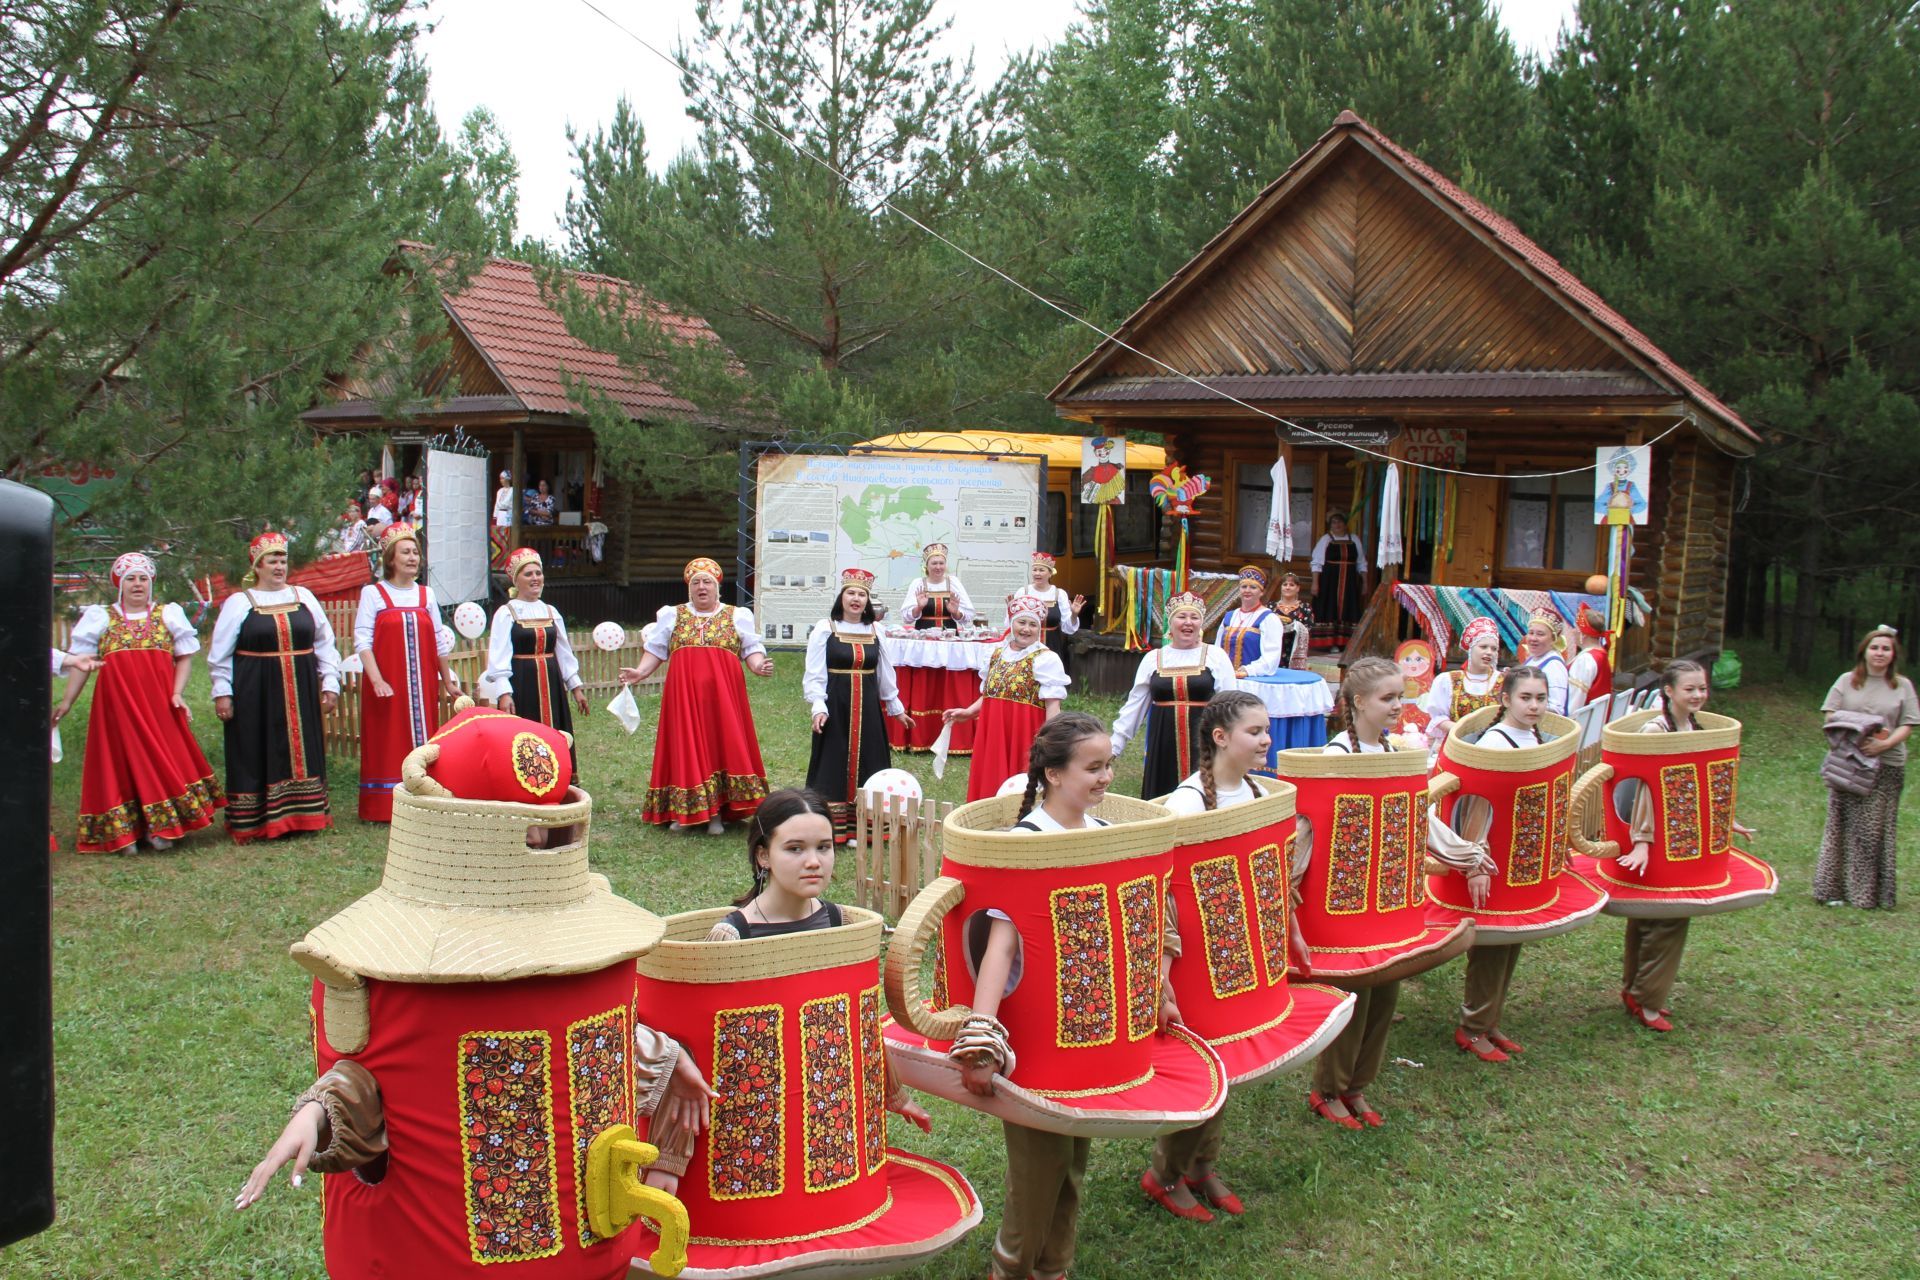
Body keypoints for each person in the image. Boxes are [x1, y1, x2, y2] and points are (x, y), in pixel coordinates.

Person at [235, 710, 713, 1274]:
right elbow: (375, 1077)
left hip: (588, 1253)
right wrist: (315, 1114)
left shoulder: (587, 955)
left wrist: (664, 1056)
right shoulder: (394, 975)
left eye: (547, 824)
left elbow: (583, 1056)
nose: (537, 838)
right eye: (526, 826)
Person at [952, 713, 1177, 1280]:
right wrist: (981, 1041)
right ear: (1053, 774)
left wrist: (1159, 989)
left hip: (1090, 1037)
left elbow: (1132, 930)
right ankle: (1009, 1267)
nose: (1105, 777)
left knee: (1073, 1159)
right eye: (1092, 767)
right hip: (1036, 1044)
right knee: (1038, 1166)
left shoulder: (1103, 837)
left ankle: (1054, 1267)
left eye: (1109, 765)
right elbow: (999, 949)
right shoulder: (1025, 847)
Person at [1144, 690, 1292, 1222]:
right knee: (1204, 1067)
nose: (1266, 740)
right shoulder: (1186, 804)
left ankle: (1202, 1166)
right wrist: (1163, 974)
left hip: (1240, 951)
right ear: (1220, 737)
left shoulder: (1256, 792)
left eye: (1266, 731)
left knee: (1230, 1060)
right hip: (1197, 958)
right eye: (1255, 732)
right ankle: (1164, 1173)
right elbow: (1162, 890)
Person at [1614, 660, 1755, 1031]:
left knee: (1651, 918)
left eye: (1702, 688)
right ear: (1669, 691)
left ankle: (1635, 991)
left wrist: (1726, 822)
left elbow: (1702, 783)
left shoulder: (1694, 727)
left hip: (1684, 837)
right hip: (1658, 839)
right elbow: (1641, 788)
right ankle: (1647, 1000)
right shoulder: (1655, 730)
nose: (1697, 695)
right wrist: (1642, 840)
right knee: (1668, 917)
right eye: (1690, 688)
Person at [56, 551, 225, 853]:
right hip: (117, 705)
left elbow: (185, 657)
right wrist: (67, 702)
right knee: (122, 762)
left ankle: (161, 827)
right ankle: (126, 832)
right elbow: (83, 664)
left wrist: (177, 693)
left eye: (143, 579)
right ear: (120, 584)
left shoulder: (167, 614)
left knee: (159, 759)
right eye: (130, 579)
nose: (137, 584)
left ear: (151, 583)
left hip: (158, 703)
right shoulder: (101, 618)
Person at [1308, 656, 1403, 1127]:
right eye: (1388, 698)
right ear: (1359, 701)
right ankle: (1330, 1088)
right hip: (1346, 894)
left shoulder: (1393, 753)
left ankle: (1359, 1085)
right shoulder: (1336, 757)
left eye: (1401, 697)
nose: (1398, 706)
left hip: (1386, 891)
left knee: (1387, 991)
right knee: (1355, 993)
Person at [619, 557, 773, 833]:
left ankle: (716, 814)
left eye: (708, 582)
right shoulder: (672, 615)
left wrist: (759, 666)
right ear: (689, 588)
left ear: (718, 587)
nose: (702, 587)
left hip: (722, 698)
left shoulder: (737, 615)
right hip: (683, 696)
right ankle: (683, 812)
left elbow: (751, 649)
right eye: (696, 582)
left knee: (720, 744)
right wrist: (640, 672)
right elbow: (656, 649)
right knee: (684, 743)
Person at [208, 531, 343, 843]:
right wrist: (223, 693)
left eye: (283, 560)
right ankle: (257, 821)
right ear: (257, 566)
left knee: (303, 751)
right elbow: (220, 654)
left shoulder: (304, 597)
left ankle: (304, 816)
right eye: (272, 560)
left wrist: (331, 682)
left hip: (302, 688)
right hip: (256, 692)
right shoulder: (240, 603)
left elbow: (325, 643)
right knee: (256, 748)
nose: (279, 566)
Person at [1451, 665, 1552, 1063]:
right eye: (1525, 698)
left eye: (1540, 698)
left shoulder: (1539, 738)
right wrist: (1476, 863)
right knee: (1492, 946)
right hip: (1493, 859)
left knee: (1511, 942)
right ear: (1506, 699)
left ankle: (1490, 1021)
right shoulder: (1495, 744)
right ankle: (1473, 1027)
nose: (1534, 705)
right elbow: (1477, 804)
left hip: (1521, 860)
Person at [352, 524, 460, 822]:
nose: (413, 558)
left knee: (423, 740)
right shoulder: (374, 594)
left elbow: (438, 641)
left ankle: (423, 799)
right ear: (390, 559)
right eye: (406, 552)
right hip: (388, 684)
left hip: (422, 685)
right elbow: (362, 640)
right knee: (387, 739)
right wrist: (376, 680)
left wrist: (448, 681)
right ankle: (383, 804)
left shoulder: (426, 595)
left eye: (415, 552)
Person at [804, 568, 914, 837]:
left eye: (861, 594)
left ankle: (866, 828)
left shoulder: (876, 630)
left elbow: (885, 674)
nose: (856, 598)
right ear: (841, 597)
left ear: (868, 600)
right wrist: (818, 706)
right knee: (833, 760)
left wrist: (896, 707)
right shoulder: (825, 628)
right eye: (851, 593)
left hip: (868, 710)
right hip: (837, 707)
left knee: (870, 760)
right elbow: (815, 672)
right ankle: (833, 827)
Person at [1815, 626, 1916, 909]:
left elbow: (1907, 724)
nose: (1880, 653)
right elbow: (1830, 715)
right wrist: (1853, 739)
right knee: (1840, 825)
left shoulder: (1902, 685)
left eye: (1886, 648)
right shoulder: (1848, 681)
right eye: (1875, 648)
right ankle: (1831, 889)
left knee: (1872, 830)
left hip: (1886, 765)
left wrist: (1884, 745)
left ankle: (1866, 894)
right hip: (1849, 764)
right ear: (1864, 651)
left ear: (1893, 654)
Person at [1110, 592, 1239, 798]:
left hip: (1205, 745)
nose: (1188, 623)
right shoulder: (1154, 658)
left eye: (1194, 617)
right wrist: (1113, 747)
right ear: (1170, 623)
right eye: (1182, 617)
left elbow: (1232, 706)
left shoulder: (1215, 656)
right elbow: (1134, 707)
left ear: (1201, 623)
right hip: (1163, 746)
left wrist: (1233, 748)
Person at [943, 594, 1068, 802]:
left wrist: (1050, 741)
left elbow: (1053, 706)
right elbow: (991, 693)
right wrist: (969, 712)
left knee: (1020, 787)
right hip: (992, 732)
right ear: (1012, 623)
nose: (1026, 629)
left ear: (1039, 629)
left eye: (1033, 625)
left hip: (1025, 735)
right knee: (991, 778)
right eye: (1021, 622)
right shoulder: (995, 653)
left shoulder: (1046, 659)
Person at [485, 547, 589, 771]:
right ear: (516, 580)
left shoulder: (551, 611)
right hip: (524, 684)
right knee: (526, 734)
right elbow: (498, 656)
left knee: (555, 733)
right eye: (528, 574)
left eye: (538, 573)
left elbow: (563, 652)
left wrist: (575, 687)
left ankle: (559, 783)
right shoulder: (507, 613)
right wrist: (505, 693)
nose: (535, 579)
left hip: (552, 685)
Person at [1423, 616, 1504, 743]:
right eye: (1483, 647)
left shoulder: (1503, 680)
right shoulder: (1447, 680)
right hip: (1457, 744)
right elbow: (1438, 717)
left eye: (1494, 649)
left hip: (1494, 746)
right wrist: (1463, 733)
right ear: (1471, 650)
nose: (1489, 652)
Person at [1009, 551, 1085, 671]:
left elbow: (1068, 628)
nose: (1037, 573)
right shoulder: (1023, 592)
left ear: (1050, 573)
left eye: (1041, 570)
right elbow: (1010, 624)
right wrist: (1010, 613)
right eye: (1035, 570)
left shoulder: (1059, 594)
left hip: (1052, 646)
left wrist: (1074, 615)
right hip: (1025, 645)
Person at [1216, 565, 1290, 678]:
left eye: (1253, 587)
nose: (1247, 590)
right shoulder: (1229, 617)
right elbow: (1217, 650)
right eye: (1244, 586)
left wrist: (1248, 670)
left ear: (1262, 592)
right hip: (1224, 678)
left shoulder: (1268, 618)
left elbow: (1271, 656)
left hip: (1252, 679)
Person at [1309, 512, 1367, 650]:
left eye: (1340, 522)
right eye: (1334, 522)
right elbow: (1317, 563)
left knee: (1348, 608)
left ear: (1345, 524)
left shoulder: (1354, 539)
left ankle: (1345, 643)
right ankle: (1328, 643)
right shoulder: (1326, 539)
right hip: (1329, 582)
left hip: (1349, 582)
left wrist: (1365, 582)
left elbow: (1361, 563)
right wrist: (1315, 583)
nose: (1337, 525)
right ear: (1330, 525)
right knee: (1329, 608)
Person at [900, 543, 974, 629]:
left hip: (949, 636)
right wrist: (919, 607)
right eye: (934, 563)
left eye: (941, 563)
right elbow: (906, 619)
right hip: (923, 636)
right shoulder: (918, 584)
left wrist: (955, 612)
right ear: (927, 566)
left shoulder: (954, 582)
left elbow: (967, 617)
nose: (938, 567)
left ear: (945, 565)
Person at [1519, 606, 1571, 716]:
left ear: (1553, 639)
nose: (1533, 638)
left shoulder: (1554, 667)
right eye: (1531, 633)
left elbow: (1556, 709)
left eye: (1540, 634)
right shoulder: (1532, 659)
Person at [1567, 602, 1613, 712]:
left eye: (1575, 628)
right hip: (1597, 716)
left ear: (1583, 634)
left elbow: (1576, 698)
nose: (1573, 631)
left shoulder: (1586, 660)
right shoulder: (1601, 652)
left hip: (1585, 722)